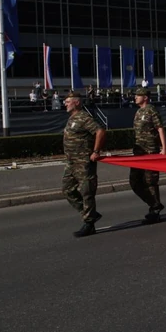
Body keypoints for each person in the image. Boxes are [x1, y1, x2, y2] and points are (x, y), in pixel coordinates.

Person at [62, 91, 106, 238]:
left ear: (77, 102)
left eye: (68, 101)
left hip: (84, 162)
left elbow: (100, 131)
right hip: (71, 162)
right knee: (67, 190)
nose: (65, 104)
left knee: (87, 193)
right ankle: (90, 214)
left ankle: (89, 224)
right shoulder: (71, 118)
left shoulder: (84, 117)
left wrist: (96, 151)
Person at [130, 88, 166, 222]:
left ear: (145, 97)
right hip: (139, 153)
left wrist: (164, 148)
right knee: (134, 182)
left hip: (151, 151)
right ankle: (155, 204)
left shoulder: (151, 110)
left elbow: (160, 128)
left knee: (150, 181)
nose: (135, 98)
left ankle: (155, 211)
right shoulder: (138, 112)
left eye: (137, 95)